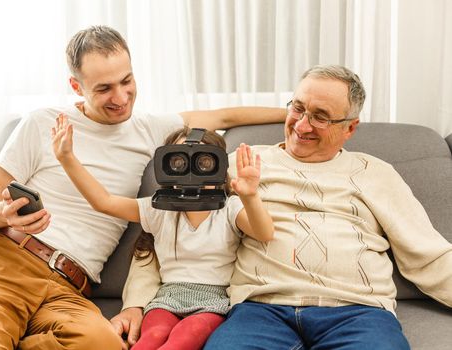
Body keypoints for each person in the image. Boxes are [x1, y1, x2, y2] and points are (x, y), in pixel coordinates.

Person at [0, 25, 286, 349]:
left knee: (106, 345)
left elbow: (224, 118)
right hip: (6, 263)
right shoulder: (43, 124)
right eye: (104, 88)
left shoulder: (149, 129)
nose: (121, 97)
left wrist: (301, 115)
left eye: (126, 81)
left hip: (69, 289)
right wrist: (2, 212)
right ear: (76, 86)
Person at [122, 64, 452, 349]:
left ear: (350, 128)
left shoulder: (374, 173)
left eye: (320, 117)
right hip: (261, 310)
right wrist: (135, 304)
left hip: (357, 311)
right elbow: (161, 230)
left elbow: (429, 255)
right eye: (298, 108)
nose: (302, 125)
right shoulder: (236, 164)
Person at [52, 117, 274, 349]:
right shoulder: (159, 210)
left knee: (183, 338)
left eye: (204, 162)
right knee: (152, 337)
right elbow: (104, 202)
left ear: (220, 167)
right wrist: (66, 158)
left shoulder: (230, 208)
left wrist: (249, 196)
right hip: (167, 298)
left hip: (213, 301)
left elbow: (264, 232)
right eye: (179, 162)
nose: (191, 173)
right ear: (167, 166)